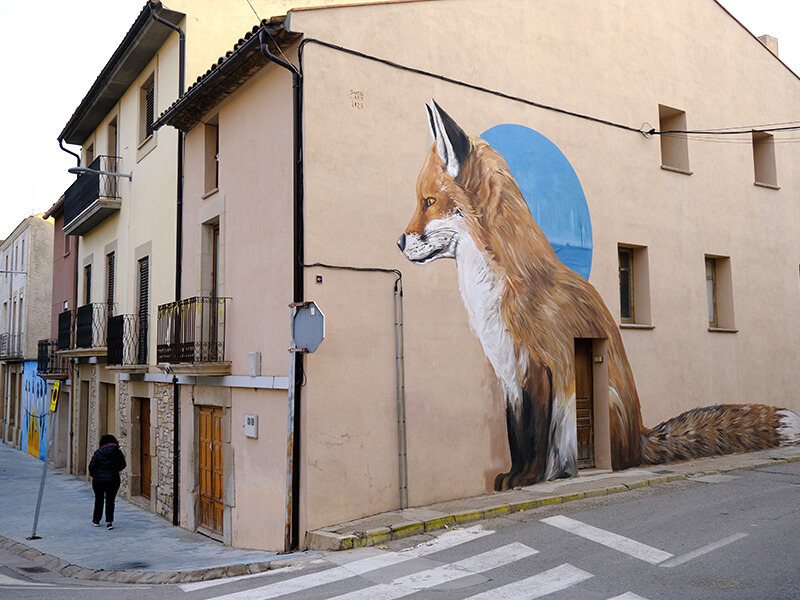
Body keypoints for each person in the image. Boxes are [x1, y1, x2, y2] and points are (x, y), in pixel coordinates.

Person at [89, 434, 127, 530]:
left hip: (98, 481)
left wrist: (95, 475)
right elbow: (122, 465)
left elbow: (92, 467)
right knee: (110, 500)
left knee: (99, 499)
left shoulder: (98, 452)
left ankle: (96, 520)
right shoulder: (118, 452)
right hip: (113, 479)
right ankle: (109, 522)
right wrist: (115, 470)